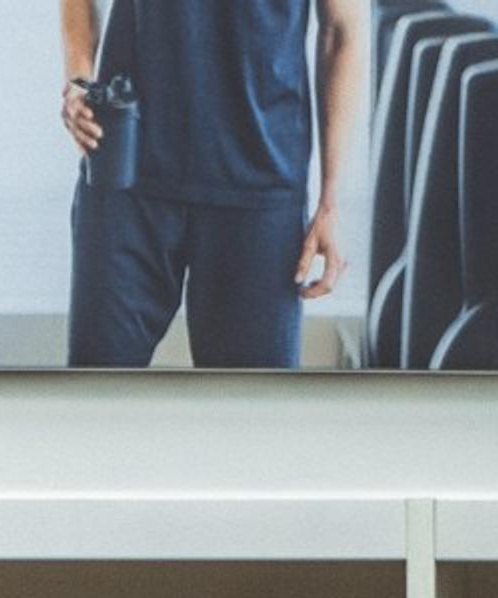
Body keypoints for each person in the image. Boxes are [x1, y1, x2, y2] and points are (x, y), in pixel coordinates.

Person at [59, 0, 370, 369]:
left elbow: (341, 32)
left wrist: (331, 201)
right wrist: (79, 79)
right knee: (94, 407)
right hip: (128, 170)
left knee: (249, 417)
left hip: (260, 186)